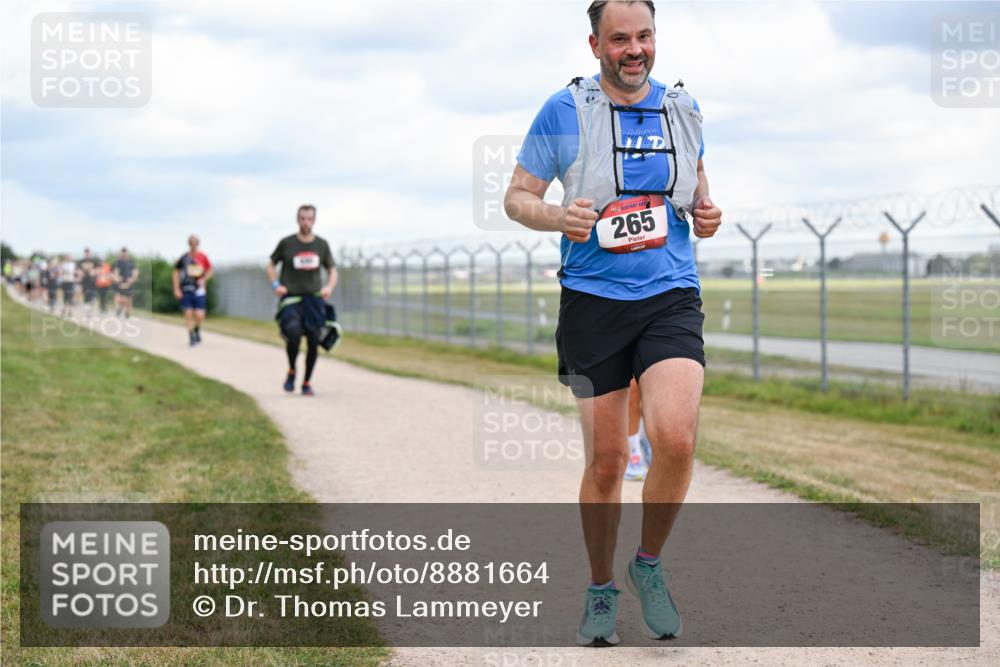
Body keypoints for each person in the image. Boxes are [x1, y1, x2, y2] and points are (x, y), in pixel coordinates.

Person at [504, 0, 722, 646]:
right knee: (605, 462)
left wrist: (708, 216)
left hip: (669, 294)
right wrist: (557, 218)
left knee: (675, 438)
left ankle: (647, 564)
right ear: (595, 44)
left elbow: (700, 196)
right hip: (593, 302)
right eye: (620, 38)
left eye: (645, 35)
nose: (635, 49)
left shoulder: (683, 110)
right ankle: (601, 587)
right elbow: (517, 196)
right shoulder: (564, 112)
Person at [266, 204, 338, 396]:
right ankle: (291, 370)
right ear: (297, 219)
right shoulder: (287, 243)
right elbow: (270, 265)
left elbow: (332, 269)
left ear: (314, 220)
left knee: (314, 341)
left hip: (313, 300)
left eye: (309, 218)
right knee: (293, 334)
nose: (306, 222)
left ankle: (306, 382)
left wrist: (329, 287)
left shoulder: (321, 245)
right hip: (292, 299)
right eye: (303, 218)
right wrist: (276, 285)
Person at [172, 235, 213, 346]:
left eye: (195, 242)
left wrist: (203, 279)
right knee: (188, 313)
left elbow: (210, 271)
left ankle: (197, 329)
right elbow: (176, 273)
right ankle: (191, 337)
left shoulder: (203, 257)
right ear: (189, 244)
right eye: (191, 242)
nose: (193, 244)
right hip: (186, 289)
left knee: (199, 315)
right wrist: (176, 289)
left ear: (198, 244)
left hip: (199, 290)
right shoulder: (184, 258)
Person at [113, 247, 139, 318]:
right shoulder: (118, 262)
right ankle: (119, 308)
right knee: (119, 297)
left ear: (127, 253)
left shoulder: (132, 262)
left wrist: (132, 279)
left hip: (129, 283)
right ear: (121, 253)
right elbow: (115, 271)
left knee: (128, 299)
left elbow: (136, 271)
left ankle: (127, 312)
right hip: (120, 282)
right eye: (122, 253)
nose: (124, 255)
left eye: (125, 253)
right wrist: (117, 278)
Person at [78, 248, 99, 315]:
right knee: (86, 295)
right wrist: (80, 274)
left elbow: (98, 270)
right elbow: (78, 270)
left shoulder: (94, 261)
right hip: (84, 281)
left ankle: (90, 305)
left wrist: (94, 272)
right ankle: (87, 311)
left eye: (88, 253)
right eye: (86, 253)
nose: (87, 255)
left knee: (93, 296)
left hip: (92, 281)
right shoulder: (81, 262)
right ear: (84, 254)